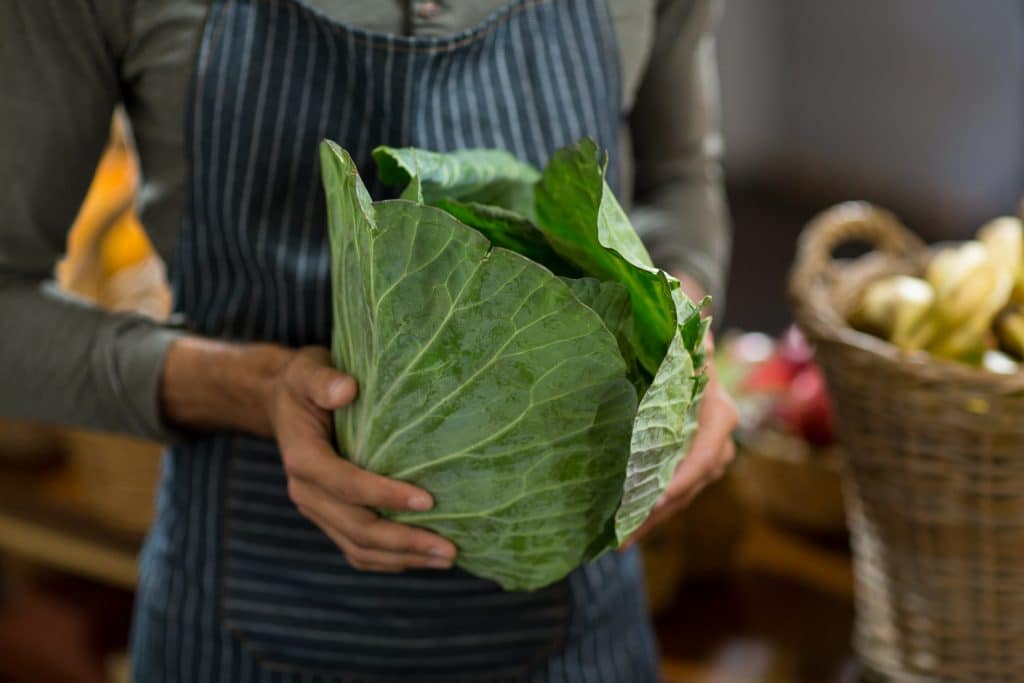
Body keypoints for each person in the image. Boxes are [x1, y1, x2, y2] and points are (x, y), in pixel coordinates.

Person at [0, 0, 737, 680]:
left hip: (583, 636)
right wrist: (253, 387)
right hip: (231, 629)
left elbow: (679, 180)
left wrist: (679, 350)